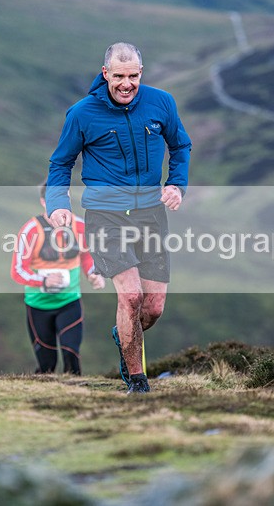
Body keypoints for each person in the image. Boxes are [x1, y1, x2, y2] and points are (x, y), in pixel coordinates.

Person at [45, 42, 191, 393]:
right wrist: (58, 204)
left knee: (152, 308)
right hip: (105, 217)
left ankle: (124, 332)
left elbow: (180, 146)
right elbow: (60, 163)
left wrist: (176, 185)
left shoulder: (162, 103)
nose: (126, 84)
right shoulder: (81, 113)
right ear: (105, 73)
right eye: (119, 76)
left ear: (141, 73)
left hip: (151, 215)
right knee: (130, 297)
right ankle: (137, 382)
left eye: (133, 76)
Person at [11, 184, 105, 375]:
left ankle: (77, 398)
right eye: (55, 200)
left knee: (71, 355)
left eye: (65, 199)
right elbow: (17, 270)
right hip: (38, 306)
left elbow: (86, 256)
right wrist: (43, 281)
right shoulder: (30, 230)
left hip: (69, 302)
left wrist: (93, 274)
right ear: (43, 202)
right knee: (47, 366)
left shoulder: (80, 226)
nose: (61, 205)